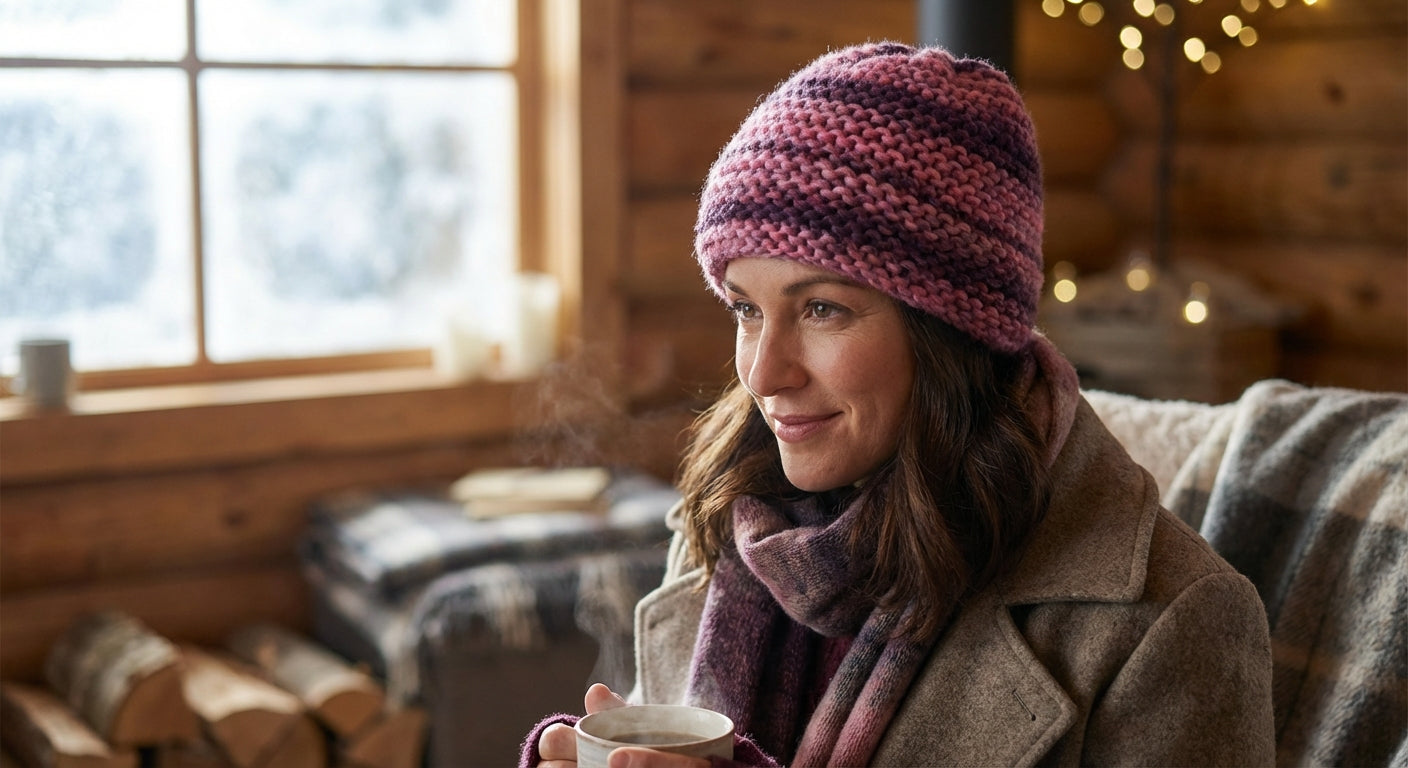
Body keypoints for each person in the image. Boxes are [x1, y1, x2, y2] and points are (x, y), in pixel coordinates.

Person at [521, 41, 1275, 767]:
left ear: (952, 335)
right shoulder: (734, 519)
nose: (763, 374)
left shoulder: (1177, 620)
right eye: (747, 309)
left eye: (822, 310)